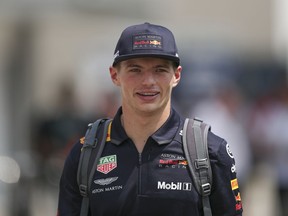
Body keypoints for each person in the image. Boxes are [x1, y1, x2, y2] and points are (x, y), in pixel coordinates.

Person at [57, 22, 243, 216]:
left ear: (177, 75)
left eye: (160, 70)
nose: (148, 81)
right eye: (135, 70)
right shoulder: (85, 154)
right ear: (114, 75)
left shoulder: (209, 152)